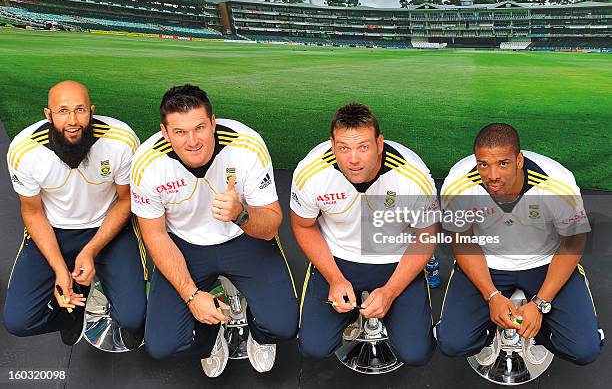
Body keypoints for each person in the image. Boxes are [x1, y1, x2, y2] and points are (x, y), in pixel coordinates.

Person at [131, 84, 298, 377]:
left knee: (283, 327)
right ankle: (211, 339)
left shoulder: (246, 145)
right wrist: (192, 296)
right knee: (162, 346)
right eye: (180, 132)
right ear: (165, 132)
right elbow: (155, 235)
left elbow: (271, 225)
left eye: (199, 128)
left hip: (242, 238)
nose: (192, 141)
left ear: (213, 123)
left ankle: (255, 330)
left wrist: (241, 214)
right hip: (183, 244)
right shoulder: (147, 163)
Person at [436, 123, 603, 366]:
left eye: (503, 163)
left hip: (545, 261)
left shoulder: (557, 183)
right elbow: (462, 241)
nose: (493, 175)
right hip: (488, 262)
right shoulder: (458, 184)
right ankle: (491, 332)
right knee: (452, 343)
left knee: (585, 349)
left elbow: (573, 242)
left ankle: (536, 327)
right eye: (484, 164)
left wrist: (539, 304)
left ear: (519, 160)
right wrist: (491, 295)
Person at [291, 102, 439, 364]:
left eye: (363, 147)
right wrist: (334, 278)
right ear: (332, 144)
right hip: (337, 258)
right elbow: (304, 225)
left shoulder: (412, 176)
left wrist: (391, 291)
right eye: (343, 148)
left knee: (416, 354)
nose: (353, 159)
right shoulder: (311, 172)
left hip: (395, 259)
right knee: (313, 347)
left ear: (379, 143)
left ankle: (384, 306)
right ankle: (349, 311)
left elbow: (425, 235)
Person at [4, 80, 146, 348]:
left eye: (80, 110)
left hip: (110, 227)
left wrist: (91, 250)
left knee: (132, 317)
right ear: (48, 115)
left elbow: (126, 200)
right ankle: (74, 313)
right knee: (18, 321)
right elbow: (32, 213)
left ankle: (107, 293)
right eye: (62, 111)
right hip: (55, 229)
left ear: (91, 111)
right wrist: (60, 270)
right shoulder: (25, 150)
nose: (72, 120)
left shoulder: (120, 140)